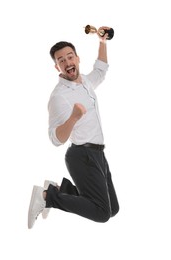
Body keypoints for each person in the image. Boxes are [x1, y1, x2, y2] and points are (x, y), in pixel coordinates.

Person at [28, 26, 119, 229]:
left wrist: (102, 42)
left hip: (98, 154)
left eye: (70, 57)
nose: (67, 63)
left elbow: (101, 69)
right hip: (81, 156)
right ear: (57, 67)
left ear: (77, 58)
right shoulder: (59, 97)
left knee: (112, 209)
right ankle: (46, 197)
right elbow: (55, 139)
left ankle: (60, 189)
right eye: (61, 61)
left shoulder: (85, 82)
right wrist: (73, 118)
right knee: (102, 213)